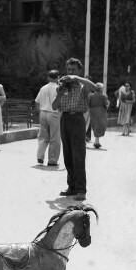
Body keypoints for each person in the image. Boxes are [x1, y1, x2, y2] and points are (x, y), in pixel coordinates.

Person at [52, 58, 96, 201]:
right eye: (69, 70)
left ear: (79, 71)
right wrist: (60, 91)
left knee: (78, 156)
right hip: (65, 119)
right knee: (68, 155)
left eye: (73, 70)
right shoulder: (62, 86)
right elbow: (54, 106)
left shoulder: (82, 86)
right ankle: (72, 187)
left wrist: (76, 78)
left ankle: (81, 190)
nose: (70, 72)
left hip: (77, 119)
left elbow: (95, 87)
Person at [35, 69, 61, 166]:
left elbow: (37, 102)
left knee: (43, 136)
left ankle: (40, 156)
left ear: (48, 77)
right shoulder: (59, 88)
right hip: (54, 113)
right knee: (55, 138)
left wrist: (40, 112)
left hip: (43, 112)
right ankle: (52, 160)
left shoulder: (43, 88)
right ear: (58, 78)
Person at [88, 82, 110, 149]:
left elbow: (88, 104)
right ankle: (96, 142)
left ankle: (96, 141)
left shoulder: (91, 95)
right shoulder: (103, 96)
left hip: (93, 111)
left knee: (95, 125)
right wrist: (107, 105)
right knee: (101, 125)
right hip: (101, 112)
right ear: (100, 89)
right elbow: (106, 104)